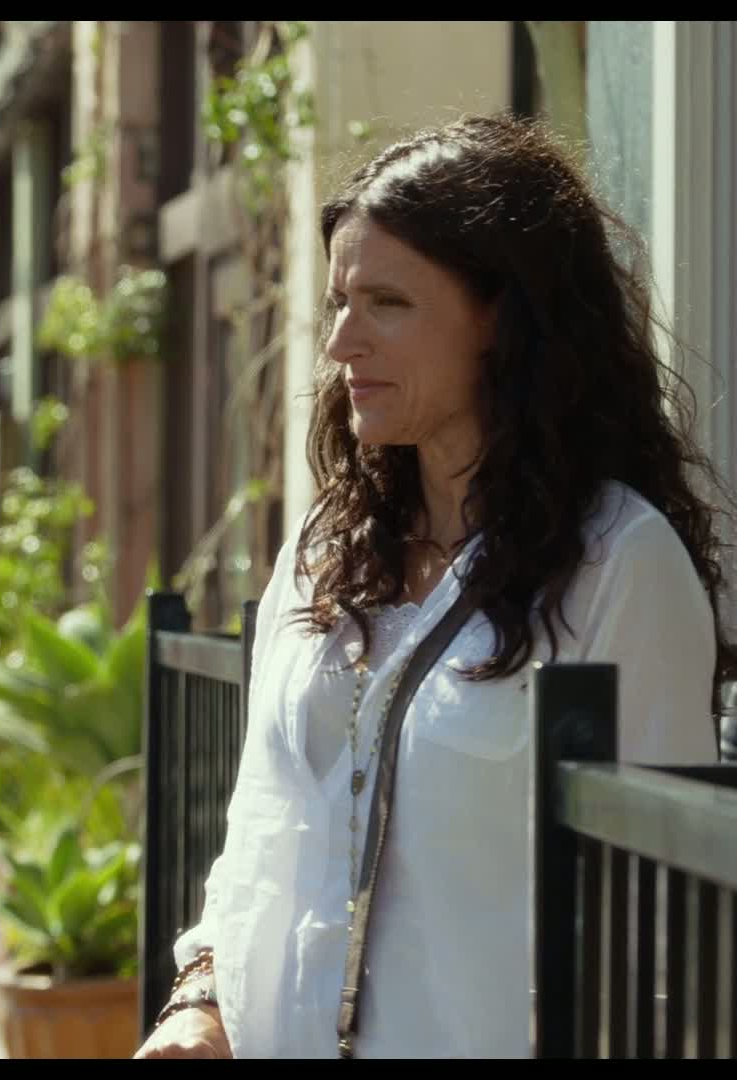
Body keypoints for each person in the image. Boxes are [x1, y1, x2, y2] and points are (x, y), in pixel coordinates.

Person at [134, 113, 731, 1059]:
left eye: (387, 303)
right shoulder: (325, 547)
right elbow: (260, 828)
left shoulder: (619, 564)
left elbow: (657, 941)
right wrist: (200, 1000)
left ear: (504, 318)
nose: (341, 342)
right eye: (339, 300)